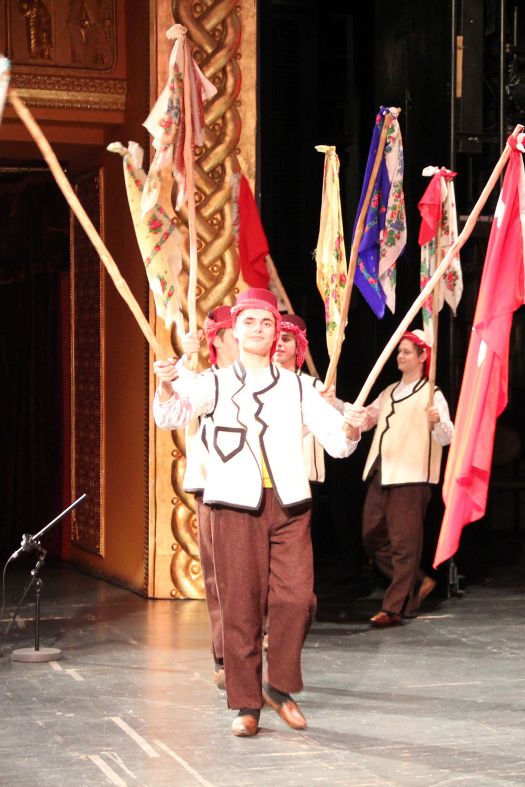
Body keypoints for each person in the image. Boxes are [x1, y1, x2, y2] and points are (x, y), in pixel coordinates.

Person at [152, 288, 366, 737]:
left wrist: (351, 427)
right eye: (249, 322)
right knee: (241, 606)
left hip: (289, 505)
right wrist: (168, 383)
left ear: (275, 333)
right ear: (235, 329)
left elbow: (339, 444)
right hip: (233, 507)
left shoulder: (299, 386)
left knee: (298, 599)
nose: (258, 329)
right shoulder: (214, 382)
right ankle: (246, 705)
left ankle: (279, 686)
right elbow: (170, 415)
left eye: (267, 323)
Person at [358, 329, 454, 627]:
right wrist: (336, 406)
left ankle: (394, 607)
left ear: (423, 357)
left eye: (407, 351)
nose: (400, 356)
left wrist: (437, 422)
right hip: (383, 473)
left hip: (411, 476)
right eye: (399, 351)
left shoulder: (432, 394)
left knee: (404, 544)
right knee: (371, 536)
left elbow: (447, 437)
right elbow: (365, 418)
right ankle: (418, 580)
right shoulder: (389, 391)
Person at [177, 306, 236, 691]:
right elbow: (176, 402)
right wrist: (186, 359)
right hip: (212, 488)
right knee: (219, 578)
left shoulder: (264, 381)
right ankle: (227, 656)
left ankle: (251, 645)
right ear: (218, 341)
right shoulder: (203, 382)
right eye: (236, 333)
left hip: (257, 488)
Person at [274, 314, 325, 483]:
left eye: (286, 339)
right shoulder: (259, 381)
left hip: (300, 475)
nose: (279, 344)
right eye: (276, 338)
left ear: (298, 346)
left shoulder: (313, 386)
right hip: (266, 473)